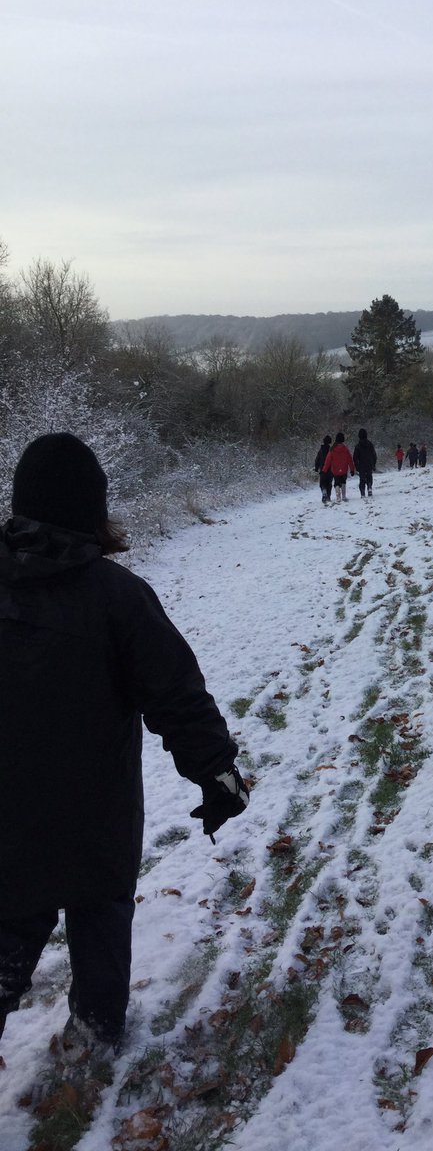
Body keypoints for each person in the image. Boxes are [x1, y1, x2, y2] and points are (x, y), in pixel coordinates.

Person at [0, 433, 249, 1055]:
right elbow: (176, 693)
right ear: (92, 508)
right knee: (101, 912)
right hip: (95, 810)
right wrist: (216, 773)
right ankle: (96, 1030)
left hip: (6, 819)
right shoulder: (117, 597)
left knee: (8, 925)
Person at [323, 432, 355, 501]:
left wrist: (324, 470)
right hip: (344, 469)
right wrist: (352, 469)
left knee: (336, 482)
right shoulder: (345, 449)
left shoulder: (332, 449)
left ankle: (338, 496)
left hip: (335, 469)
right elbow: (350, 459)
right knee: (343, 481)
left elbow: (328, 460)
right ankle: (343, 496)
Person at [353, 428, 377, 498]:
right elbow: (374, 455)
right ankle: (369, 487)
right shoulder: (370, 444)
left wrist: (357, 466)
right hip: (369, 464)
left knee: (362, 479)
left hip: (361, 465)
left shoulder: (357, 446)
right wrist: (374, 465)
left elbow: (355, 458)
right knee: (369, 477)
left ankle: (362, 492)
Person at [314, 433, 333, 504]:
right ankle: (328, 497)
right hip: (330, 470)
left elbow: (317, 460)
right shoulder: (331, 450)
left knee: (322, 483)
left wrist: (316, 468)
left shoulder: (320, 450)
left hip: (322, 470)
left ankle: (324, 491)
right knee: (329, 483)